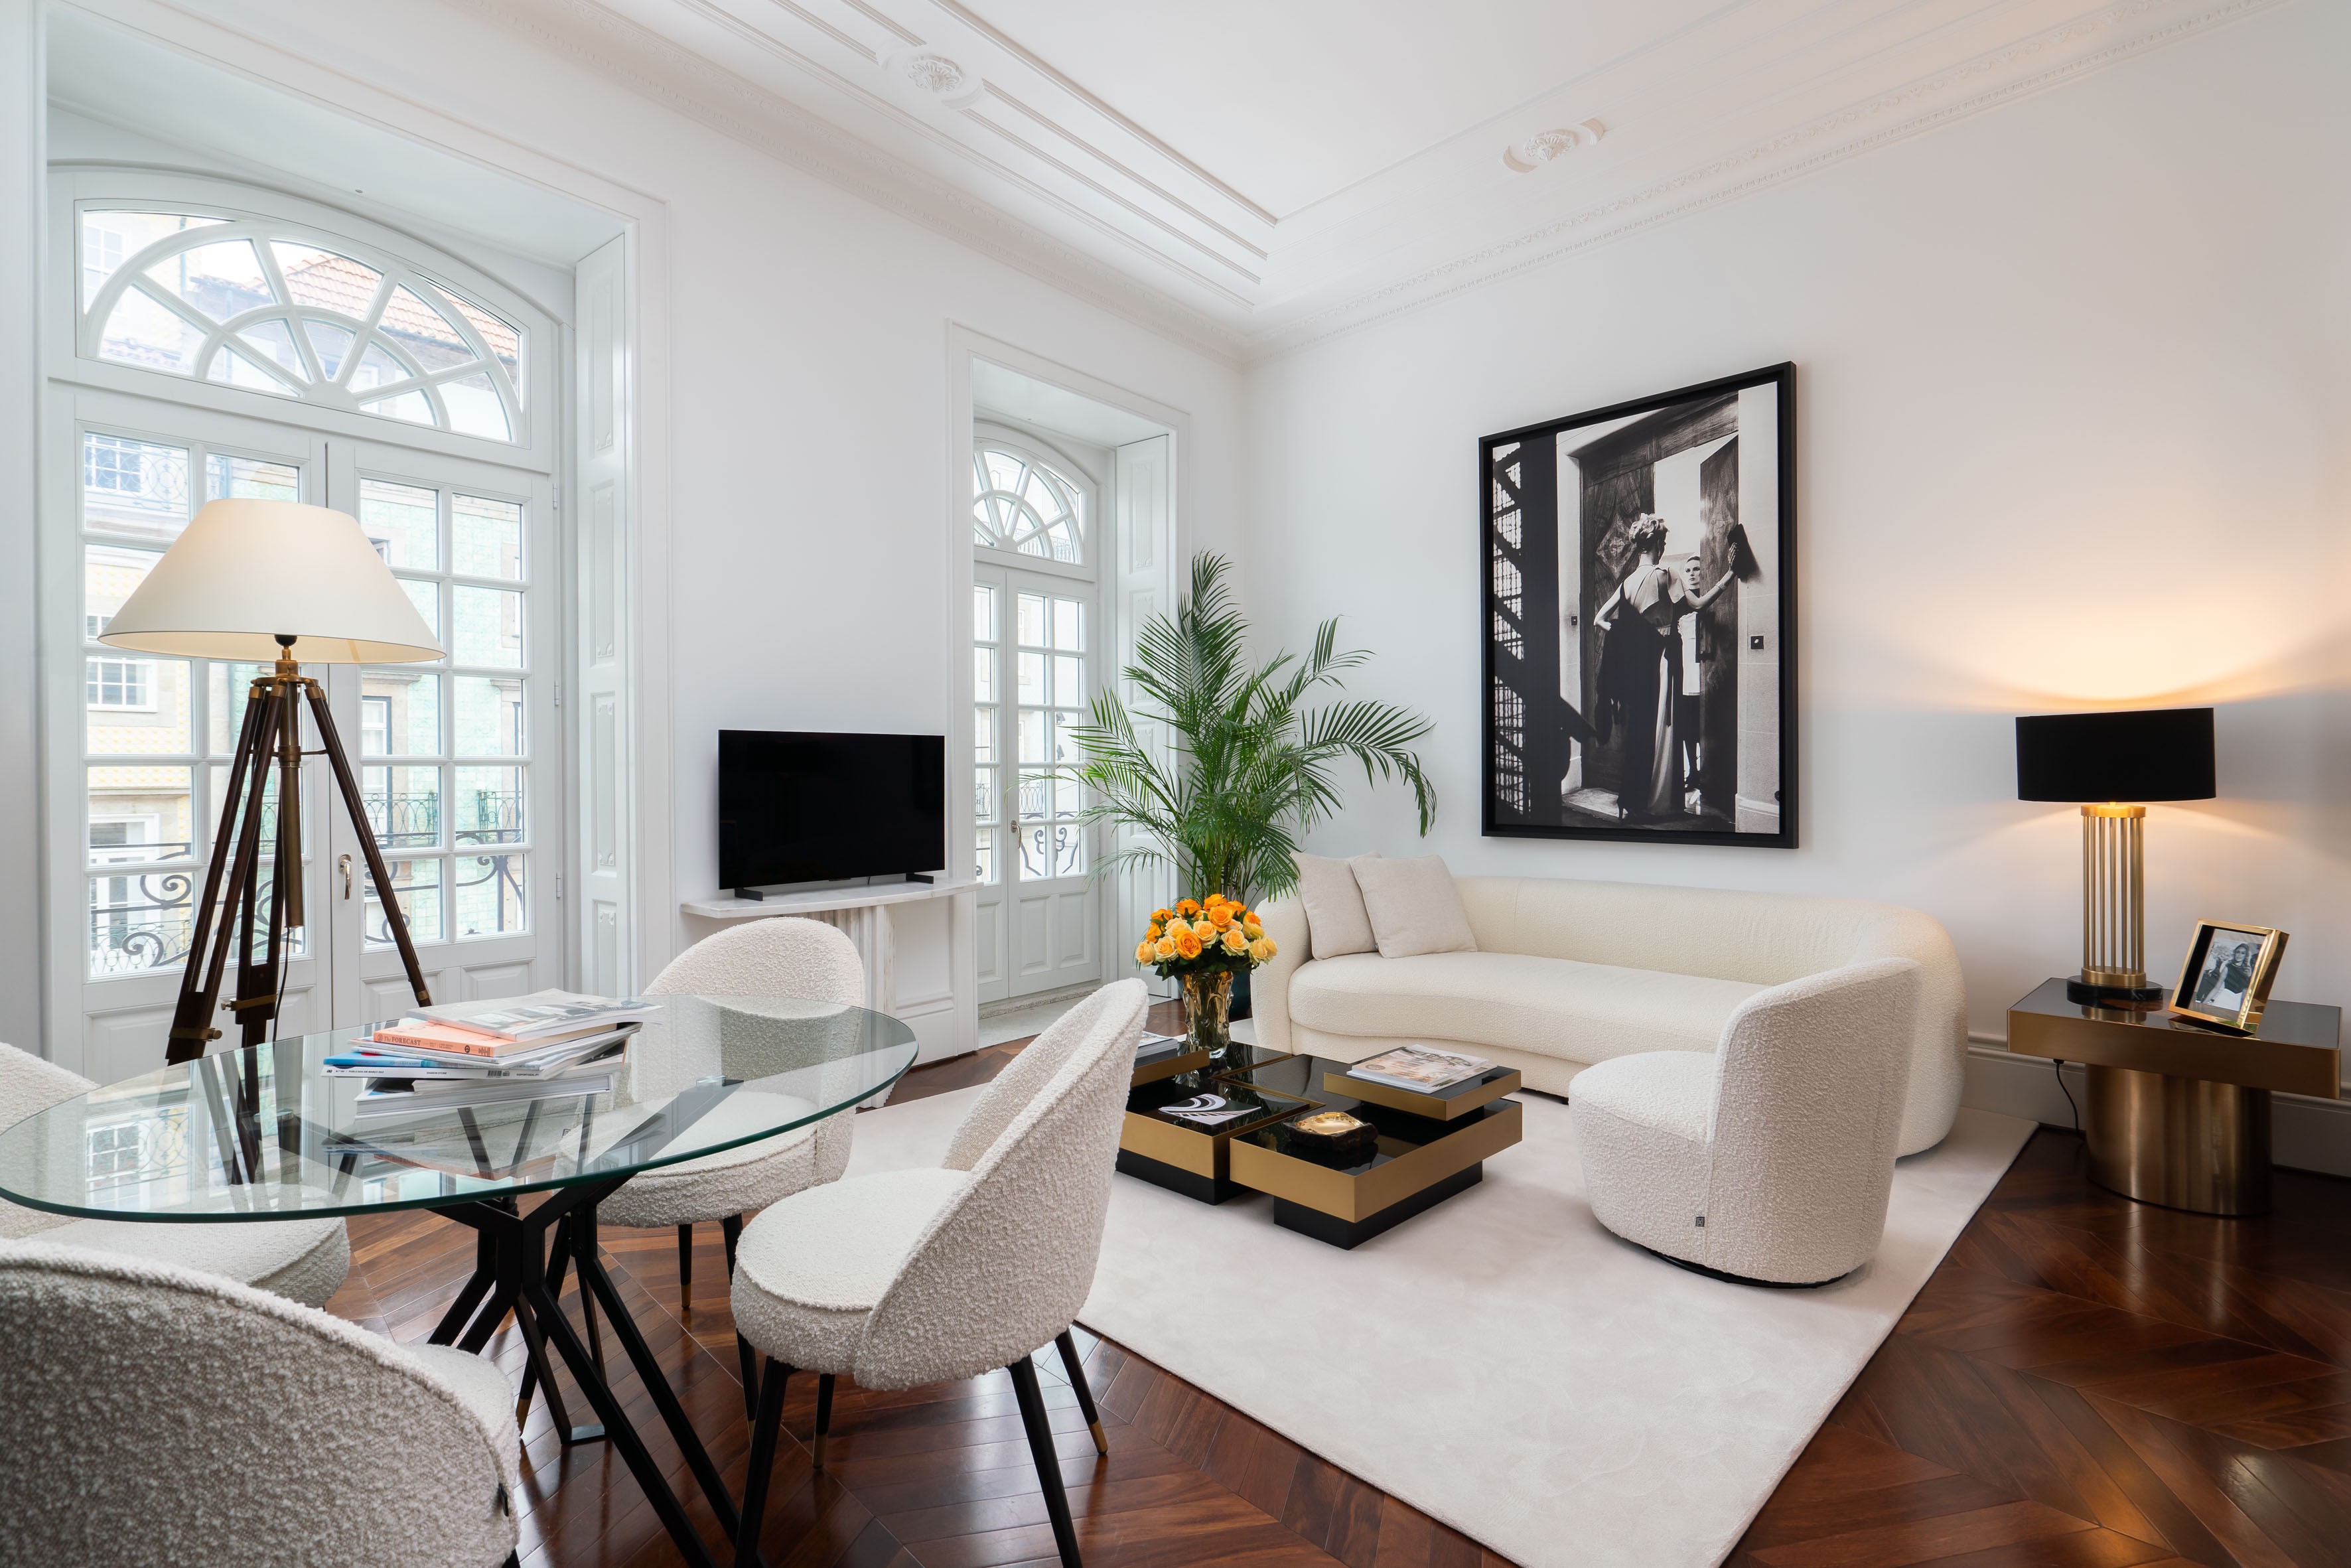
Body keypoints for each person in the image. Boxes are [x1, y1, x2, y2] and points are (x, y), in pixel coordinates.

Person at [1593, 519, 1733, 821]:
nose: (1664, 547)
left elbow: (1600, 620)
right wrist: (1730, 576)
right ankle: (1661, 802)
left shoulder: (1628, 581)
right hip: (1666, 657)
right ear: (1658, 544)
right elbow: (1697, 605)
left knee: (1646, 726)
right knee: (1666, 725)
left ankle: (1640, 799)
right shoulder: (1666, 573)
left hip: (1641, 665)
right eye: (1664, 543)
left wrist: (1633, 636)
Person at [2195, 938, 2256, 1009]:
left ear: (2246, 955)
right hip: (2224, 998)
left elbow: (2246, 990)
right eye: (2238, 952)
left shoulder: (2247, 970)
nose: (2239, 955)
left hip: (2237, 1001)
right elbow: (2216, 988)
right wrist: (2203, 1004)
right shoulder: (2227, 968)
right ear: (2235, 953)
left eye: (2242, 953)